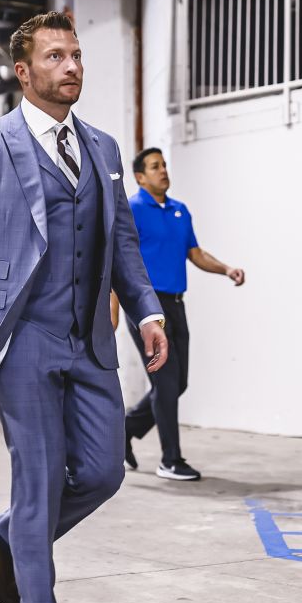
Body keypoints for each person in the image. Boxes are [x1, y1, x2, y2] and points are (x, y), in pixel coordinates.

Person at [0, 12, 168, 603]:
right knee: (35, 481)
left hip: (86, 339)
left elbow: (121, 245)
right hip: (19, 335)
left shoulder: (105, 149)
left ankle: (6, 537)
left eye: (77, 55)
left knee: (102, 471)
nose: (73, 66)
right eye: (56, 56)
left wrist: (148, 313)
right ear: (24, 72)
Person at [122, 147, 245, 481]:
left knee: (178, 383)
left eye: (164, 165)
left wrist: (226, 269)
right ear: (139, 177)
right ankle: (170, 460)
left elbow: (195, 253)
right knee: (164, 382)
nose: (163, 170)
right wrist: (114, 307)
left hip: (176, 302)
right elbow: (117, 258)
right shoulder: (131, 210)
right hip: (146, 308)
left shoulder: (180, 211)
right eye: (154, 166)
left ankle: (123, 431)